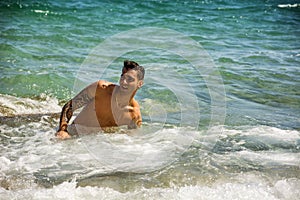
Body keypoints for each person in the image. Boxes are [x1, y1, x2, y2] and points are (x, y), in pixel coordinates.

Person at [55, 60, 145, 139]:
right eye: (123, 77)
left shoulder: (134, 115)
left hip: (92, 144)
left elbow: (132, 140)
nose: (123, 82)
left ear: (140, 83)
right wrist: (63, 130)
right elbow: (70, 106)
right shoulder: (101, 89)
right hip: (72, 133)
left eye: (129, 79)